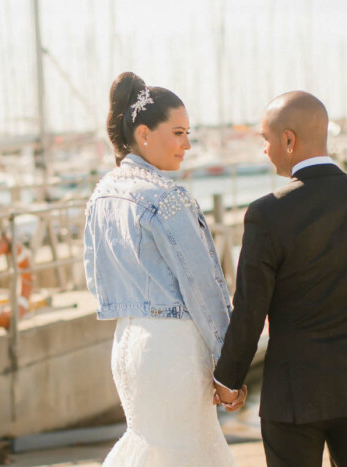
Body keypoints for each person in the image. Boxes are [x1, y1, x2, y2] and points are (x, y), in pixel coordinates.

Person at [213, 91, 347, 467]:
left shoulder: (265, 214)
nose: (265, 150)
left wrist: (228, 380)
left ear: (288, 140)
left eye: (266, 139)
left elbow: (250, 311)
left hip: (292, 393)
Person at [83, 72, 239, 466]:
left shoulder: (100, 196)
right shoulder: (167, 199)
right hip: (172, 348)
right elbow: (203, 288)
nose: (188, 144)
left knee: (150, 447)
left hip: (127, 344)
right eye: (179, 132)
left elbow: (94, 280)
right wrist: (230, 366)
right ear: (144, 134)